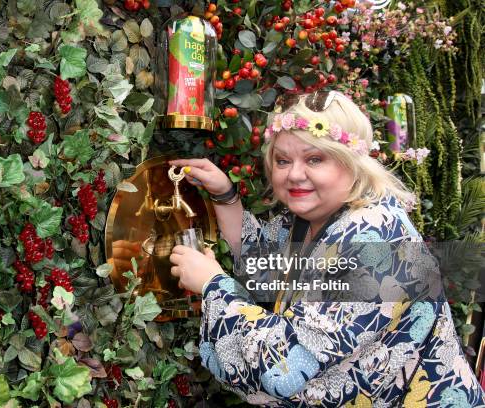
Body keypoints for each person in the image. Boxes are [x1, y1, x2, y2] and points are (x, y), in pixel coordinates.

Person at [168, 91, 485, 407]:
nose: (293, 174)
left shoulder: (375, 239)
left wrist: (213, 285)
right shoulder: (308, 221)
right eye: (282, 160)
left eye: (314, 159)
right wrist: (225, 194)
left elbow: (285, 363)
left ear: (351, 163)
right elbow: (262, 261)